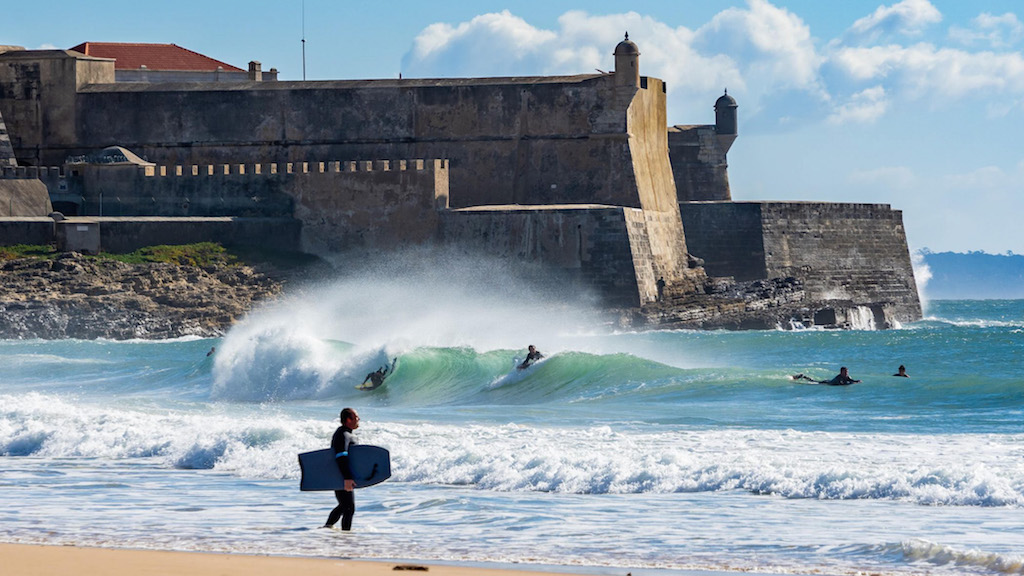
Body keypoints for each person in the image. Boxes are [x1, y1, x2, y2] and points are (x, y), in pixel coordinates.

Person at [324, 407, 359, 530]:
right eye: (356, 417)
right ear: (349, 419)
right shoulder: (343, 434)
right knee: (348, 508)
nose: (358, 420)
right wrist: (347, 478)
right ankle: (346, 538)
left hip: (342, 475)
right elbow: (340, 456)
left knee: (345, 506)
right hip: (341, 475)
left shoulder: (347, 434)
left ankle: (327, 528)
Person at [792, 366, 861, 385]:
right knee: (813, 382)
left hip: (828, 381)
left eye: (847, 372)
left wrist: (857, 381)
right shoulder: (839, 378)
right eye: (845, 372)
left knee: (814, 381)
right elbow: (841, 384)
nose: (846, 373)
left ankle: (802, 376)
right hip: (827, 383)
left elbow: (851, 380)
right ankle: (802, 376)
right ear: (841, 372)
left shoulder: (847, 377)